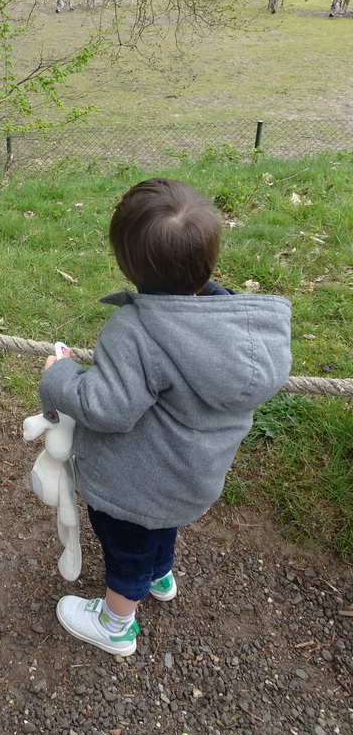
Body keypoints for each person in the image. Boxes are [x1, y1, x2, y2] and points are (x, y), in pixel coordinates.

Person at [38, 178, 292, 657]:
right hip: (190, 478)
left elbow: (106, 407)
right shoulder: (240, 325)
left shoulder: (135, 330)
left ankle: (116, 624)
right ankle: (160, 577)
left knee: (127, 546)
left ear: (127, 264)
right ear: (208, 260)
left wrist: (60, 377)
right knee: (161, 527)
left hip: (138, 483)